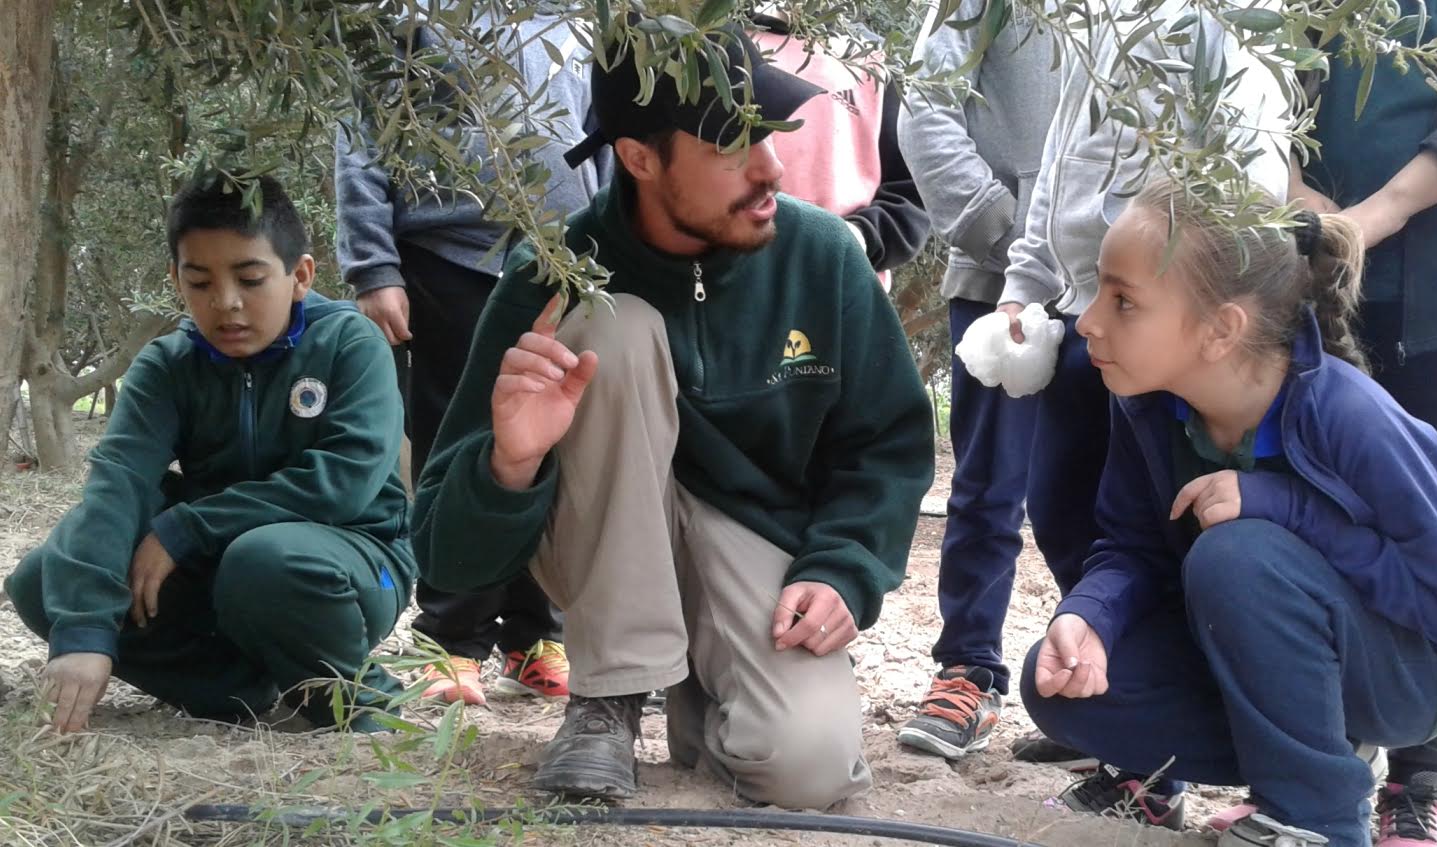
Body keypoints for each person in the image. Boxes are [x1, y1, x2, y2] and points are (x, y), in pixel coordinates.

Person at [410, 25, 935, 807]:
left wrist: (843, 568)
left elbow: (887, 445)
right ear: (639, 157)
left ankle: (699, 694)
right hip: (596, 538)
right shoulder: (550, 277)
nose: (770, 168)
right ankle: (610, 700)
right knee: (608, 327)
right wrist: (510, 464)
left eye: (768, 131)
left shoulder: (823, 255)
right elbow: (446, 555)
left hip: (752, 541)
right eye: (731, 146)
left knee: (805, 769)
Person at [1020, 178, 1437, 847]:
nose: (1088, 320)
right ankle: (1303, 765)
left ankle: (1317, 819)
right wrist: (1089, 613)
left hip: (1414, 678)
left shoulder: (1351, 416)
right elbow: (1131, 548)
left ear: (1220, 330)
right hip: (1303, 661)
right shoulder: (1146, 403)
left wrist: (1285, 506)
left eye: (1123, 301)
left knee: (1237, 554)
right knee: (1057, 686)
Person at [990, 0, 1291, 802]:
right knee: (1067, 508)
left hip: (1171, 330)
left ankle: (1217, 754)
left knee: (1187, 538)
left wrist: (1192, 318)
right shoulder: (1095, 30)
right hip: (1085, 315)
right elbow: (1052, 181)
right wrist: (1024, 289)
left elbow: (1247, 191)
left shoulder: (1217, 31)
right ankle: (1130, 716)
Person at [6, 173, 416, 733]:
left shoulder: (350, 344)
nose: (226, 304)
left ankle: (357, 699)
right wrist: (83, 631)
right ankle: (236, 689)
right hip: (222, 573)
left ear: (299, 276)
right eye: (199, 283)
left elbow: (345, 482)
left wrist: (187, 528)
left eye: (250, 279)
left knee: (266, 561)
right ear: (176, 281)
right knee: (42, 581)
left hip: (350, 561)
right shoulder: (167, 366)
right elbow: (118, 485)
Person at [335, 8, 603, 705]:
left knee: (552, 447)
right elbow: (361, 133)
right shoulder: (408, 17)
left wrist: (609, 247)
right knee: (458, 451)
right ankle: (450, 638)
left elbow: (599, 139)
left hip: (558, 260)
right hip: (445, 258)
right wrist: (373, 264)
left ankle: (536, 635)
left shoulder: (578, 20)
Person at [1281, 4, 1437, 842]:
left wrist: (1379, 213)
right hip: (1315, 292)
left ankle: (1424, 771)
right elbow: (1270, 88)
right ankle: (1316, 760)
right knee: (1309, 515)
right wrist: (1295, 191)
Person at [893, 0, 1058, 762]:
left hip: (1128, 280)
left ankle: (1104, 688)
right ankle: (968, 670)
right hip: (995, 280)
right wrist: (1007, 229)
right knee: (988, 484)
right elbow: (922, 111)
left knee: (1114, 486)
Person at [749, 8, 930, 288]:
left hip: (848, 290)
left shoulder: (872, 58)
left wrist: (856, 237)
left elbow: (910, 192)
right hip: (740, 282)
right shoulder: (724, 43)